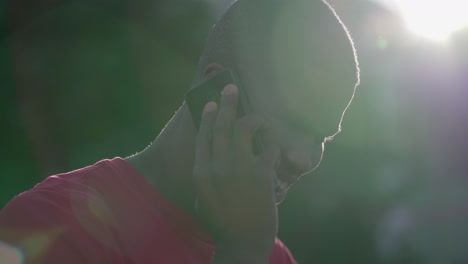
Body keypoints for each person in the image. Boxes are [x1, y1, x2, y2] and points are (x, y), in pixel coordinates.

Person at [0, 0, 360, 263]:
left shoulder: (273, 256)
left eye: (322, 138)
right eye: (295, 122)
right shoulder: (48, 226)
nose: (304, 159)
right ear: (217, 91)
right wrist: (239, 253)